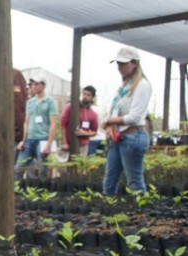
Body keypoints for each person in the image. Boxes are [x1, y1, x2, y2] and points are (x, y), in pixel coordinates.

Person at [102, 47, 152, 195]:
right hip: (119, 137)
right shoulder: (124, 86)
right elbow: (117, 110)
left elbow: (134, 117)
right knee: (109, 182)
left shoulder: (142, 85)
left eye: (123, 64)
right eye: (118, 64)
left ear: (135, 63)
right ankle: (108, 213)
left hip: (133, 137)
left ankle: (142, 214)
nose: (120, 67)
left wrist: (110, 120)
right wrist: (110, 126)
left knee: (134, 181)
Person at [0, 45, 27, 188]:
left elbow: (18, 106)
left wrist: (12, 133)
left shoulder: (13, 76)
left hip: (7, 134)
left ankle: (2, 203)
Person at [16, 76, 58, 179]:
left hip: (43, 139)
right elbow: (26, 122)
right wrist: (23, 140)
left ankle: (43, 190)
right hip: (30, 139)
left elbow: (53, 124)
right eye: (32, 84)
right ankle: (18, 191)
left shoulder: (50, 102)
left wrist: (49, 144)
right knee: (18, 168)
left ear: (43, 85)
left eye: (36, 84)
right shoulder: (30, 102)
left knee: (42, 169)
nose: (33, 86)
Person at [60, 85, 99, 158]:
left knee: (80, 166)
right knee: (65, 167)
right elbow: (63, 125)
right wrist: (64, 142)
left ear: (92, 97)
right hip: (68, 143)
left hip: (82, 145)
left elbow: (94, 131)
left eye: (88, 95)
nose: (85, 96)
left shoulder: (93, 114)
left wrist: (84, 133)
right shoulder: (70, 107)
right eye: (84, 94)